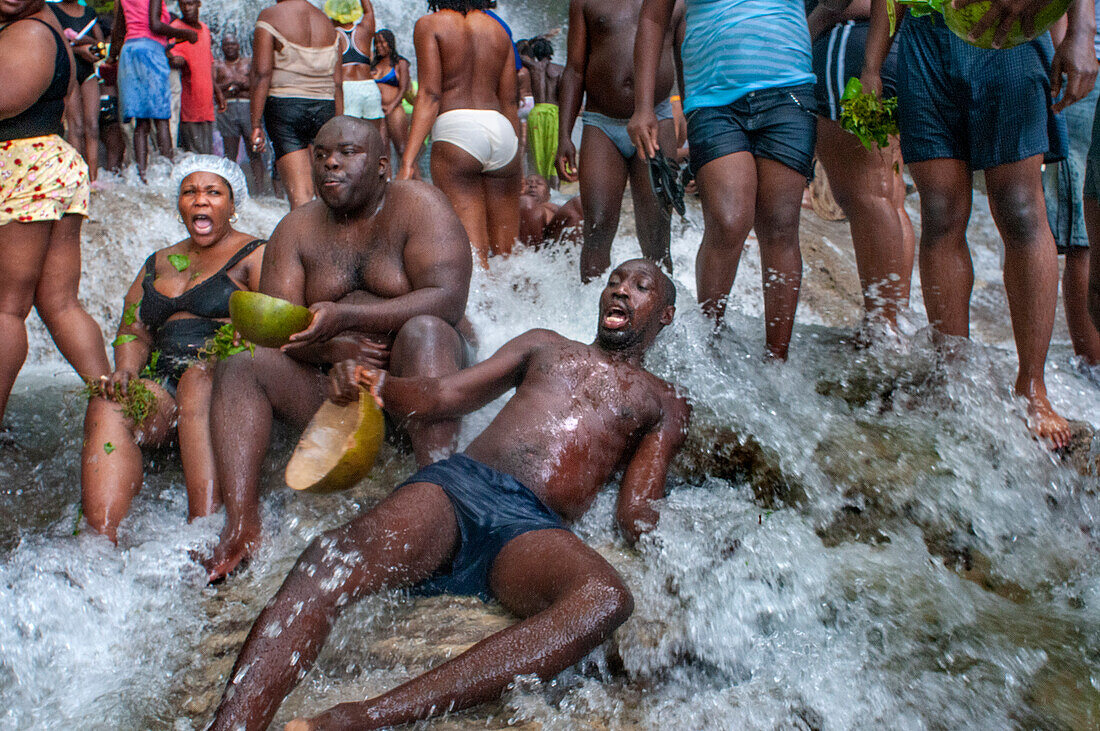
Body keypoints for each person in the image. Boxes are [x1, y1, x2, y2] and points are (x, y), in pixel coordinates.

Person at [206, 258, 690, 731]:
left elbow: (636, 509)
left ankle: (364, 719)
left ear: (665, 314)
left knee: (605, 599)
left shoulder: (664, 401)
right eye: (614, 280)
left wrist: (693, 545)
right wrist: (377, 383)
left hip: (530, 528)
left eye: (641, 286)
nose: (621, 290)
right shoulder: (546, 345)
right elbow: (444, 396)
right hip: (459, 488)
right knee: (332, 555)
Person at [201, 116, 474, 581]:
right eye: (322, 152)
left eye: (348, 152)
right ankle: (243, 525)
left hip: (418, 375)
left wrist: (348, 318)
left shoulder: (419, 205)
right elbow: (275, 331)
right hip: (337, 390)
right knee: (243, 363)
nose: (331, 162)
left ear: (383, 165)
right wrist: (332, 352)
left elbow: (448, 299)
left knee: (424, 330)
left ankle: (437, 500)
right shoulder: (297, 228)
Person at [863, 0, 1096, 447]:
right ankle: (949, 379)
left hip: (1006, 30)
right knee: (940, 213)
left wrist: (1082, 30)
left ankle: (1033, 387)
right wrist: (873, 63)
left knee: (1021, 210)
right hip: (923, 37)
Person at [81, 158, 264, 541]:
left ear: (232, 204)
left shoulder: (254, 254)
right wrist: (127, 370)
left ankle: (206, 531)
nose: (200, 201)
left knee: (196, 381)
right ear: (178, 203)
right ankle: (100, 541)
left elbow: (275, 318)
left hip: (224, 387)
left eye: (213, 192)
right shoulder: (158, 262)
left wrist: (240, 345)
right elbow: (134, 328)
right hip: (164, 388)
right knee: (111, 402)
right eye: (190, 192)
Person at [630, 0, 817, 361]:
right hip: (713, 101)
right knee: (728, 222)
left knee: (780, 225)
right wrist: (643, 107)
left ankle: (776, 359)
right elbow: (654, 18)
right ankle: (707, 344)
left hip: (789, 89)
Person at [0, 0, 110, 431]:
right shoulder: (43, 27)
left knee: (6, 309)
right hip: (45, 166)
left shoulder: (29, 33)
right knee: (59, 304)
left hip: (25, 168)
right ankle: (121, 407)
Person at [806, 0, 914, 337]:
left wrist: (816, 20)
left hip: (851, 46)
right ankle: (893, 321)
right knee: (889, 197)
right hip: (890, 47)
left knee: (864, 197)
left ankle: (882, 329)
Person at [558, 0, 683, 282]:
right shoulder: (585, 1)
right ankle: (593, 313)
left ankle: (660, 316)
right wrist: (564, 135)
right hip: (601, 122)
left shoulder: (675, 3)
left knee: (658, 235)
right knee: (597, 229)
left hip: (658, 119)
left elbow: (685, 59)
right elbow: (574, 70)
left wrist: (688, 112)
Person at [399, 0, 521, 269]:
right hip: (502, 131)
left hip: (458, 130)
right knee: (510, 258)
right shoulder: (499, 30)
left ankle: (479, 311)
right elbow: (510, 101)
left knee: (472, 257)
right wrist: (517, 155)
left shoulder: (430, 24)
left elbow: (430, 95)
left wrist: (408, 161)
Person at [251, 0, 342, 209]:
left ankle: (304, 241)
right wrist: (339, 124)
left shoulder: (270, 16)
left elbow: (261, 73)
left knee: (300, 196)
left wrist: (256, 124)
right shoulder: (326, 22)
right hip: (326, 108)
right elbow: (337, 83)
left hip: (285, 107)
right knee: (329, 193)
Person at [1047, 13, 1100, 371]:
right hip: (1082, 65)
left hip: (1083, 64)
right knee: (1082, 239)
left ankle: (1092, 365)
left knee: (1081, 240)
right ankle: (1093, 368)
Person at [108, 0, 198, 180]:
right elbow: (155, 25)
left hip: (129, 53)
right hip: (150, 52)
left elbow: (118, 30)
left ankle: (142, 177)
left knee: (141, 122)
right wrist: (186, 33)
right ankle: (169, 174)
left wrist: (111, 57)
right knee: (161, 118)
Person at [49, 0, 105, 181]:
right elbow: (53, 41)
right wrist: (81, 50)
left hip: (88, 74)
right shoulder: (52, 10)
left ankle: (93, 180)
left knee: (93, 126)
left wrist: (83, 42)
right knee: (76, 126)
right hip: (69, 73)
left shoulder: (89, 13)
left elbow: (102, 48)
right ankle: (76, 179)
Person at [214, 34, 269, 193]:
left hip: (248, 108)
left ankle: (260, 190)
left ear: (238, 46)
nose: (230, 47)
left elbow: (257, 82)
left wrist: (238, 84)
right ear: (222, 47)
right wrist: (234, 83)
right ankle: (229, 190)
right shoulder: (218, 65)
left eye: (232, 44)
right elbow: (213, 85)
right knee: (230, 153)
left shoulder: (248, 63)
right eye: (226, 45)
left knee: (254, 150)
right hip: (227, 110)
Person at [169, 0, 224, 154]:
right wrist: (176, 60)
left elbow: (208, 61)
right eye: (183, 4)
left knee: (207, 153)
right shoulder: (175, 29)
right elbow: (170, 58)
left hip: (206, 105)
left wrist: (218, 91)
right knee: (195, 155)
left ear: (199, 4)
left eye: (190, 4)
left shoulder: (205, 29)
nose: (187, 8)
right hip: (189, 106)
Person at [327, 0, 384, 135]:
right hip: (369, 87)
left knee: (349, 138)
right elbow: (369, 11)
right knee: (373, 137)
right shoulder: (364, 30)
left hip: (347, 88)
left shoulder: (332, 34)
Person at [522, 36, 562, 183]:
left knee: (535, 153)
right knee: (553, 155)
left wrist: (530, 42)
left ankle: (538, 187)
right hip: (554, 114)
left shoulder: (533, 67)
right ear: (550, 53)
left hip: (537, 113)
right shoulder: (560, 70)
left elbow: (517, 52)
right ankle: (554, 192)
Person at [372, 28, 412, 162]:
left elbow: (404, 88)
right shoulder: (373, 64)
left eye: (383, 42)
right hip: (377, 111)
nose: (379, 46)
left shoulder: (400, 63)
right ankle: (387, 182)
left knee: (402, 149)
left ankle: (416, 181)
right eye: (376, 43)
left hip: (394, 110)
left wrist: (391, 106)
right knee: (382, 151)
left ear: (391, 43)